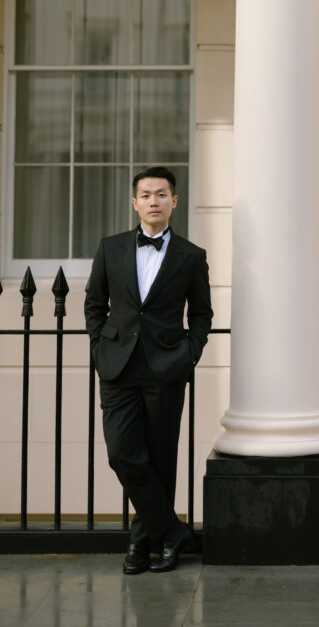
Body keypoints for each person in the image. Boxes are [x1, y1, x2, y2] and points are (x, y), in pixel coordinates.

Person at [84, 166, 212, 575]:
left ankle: (143, 545)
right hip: (118, 366)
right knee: (123, 453)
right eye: (146, 194)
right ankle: (173, 532)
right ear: (134, 202)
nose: (153, 201)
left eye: (161, 194)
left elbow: (203, 314)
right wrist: (98, 347)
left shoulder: (191, 257)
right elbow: (93, 304)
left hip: (166, 367)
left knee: (159, 458)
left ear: (174, 202)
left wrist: (189, 352)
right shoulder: (111, 248)